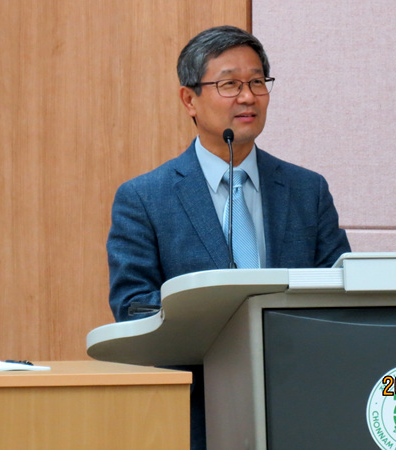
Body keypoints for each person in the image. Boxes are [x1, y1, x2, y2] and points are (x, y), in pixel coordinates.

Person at [106, 25, 352, 449]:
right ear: (189, 100)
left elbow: (341, 290)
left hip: (300, 404)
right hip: (195, 413)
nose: (247, 97)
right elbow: (132, 307)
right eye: (229, 84)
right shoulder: (145, 198)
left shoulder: (306, 190)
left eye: (257, 82)